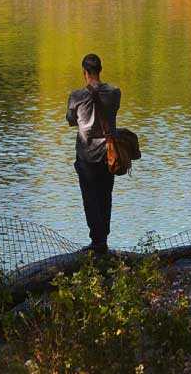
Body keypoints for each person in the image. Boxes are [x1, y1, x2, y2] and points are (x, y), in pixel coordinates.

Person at [66, 53, 121, 254]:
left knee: (90, 198)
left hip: (86, 155)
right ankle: (102, 239)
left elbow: (71, 120)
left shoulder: (76, 96)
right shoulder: (115, 92)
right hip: (109, 154)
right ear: (100, 70)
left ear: (85, 73)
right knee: (105, 196)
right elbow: (112, 113)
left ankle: (97, 242)